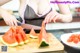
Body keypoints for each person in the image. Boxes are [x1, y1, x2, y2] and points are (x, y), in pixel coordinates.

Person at [0, 0, 72, 27]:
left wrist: (61, 17)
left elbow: (69, 17)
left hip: (44, 40)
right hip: (23, 40)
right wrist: (4, 13)